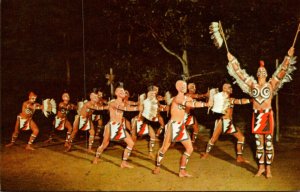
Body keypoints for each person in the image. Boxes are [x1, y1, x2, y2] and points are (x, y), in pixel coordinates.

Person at [226, 47, 296, 178]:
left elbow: (282, 71)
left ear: (267, 74)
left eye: (263, 70)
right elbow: (240, 74)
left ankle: (268, 169)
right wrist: (232, 60)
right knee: (259, 143)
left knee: (268, 143)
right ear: (257, 74)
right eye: (259, 70)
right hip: (257, 116)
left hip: (267, 115)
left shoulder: (271, 84)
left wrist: (288, 56)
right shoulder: (252, 85)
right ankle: (261, 167)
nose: (261, 71)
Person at [152, 80, 210, 177]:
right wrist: (205, 104)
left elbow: (194, 102)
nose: (183, 87)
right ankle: (157, 166)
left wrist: (208, 100)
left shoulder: (187, 97)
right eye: (181, 85)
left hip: (181, 126)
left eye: (184, 85)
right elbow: (190, 104)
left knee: (189, 148)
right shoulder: (177, 98)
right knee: (164, 148)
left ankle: (182, 171)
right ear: (177, 87)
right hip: (173, 125)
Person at [200, 83, 251, 163]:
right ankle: (239, 157)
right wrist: (252, 100)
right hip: (225, 122)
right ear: (224, 89)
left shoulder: (228, 99)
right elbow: (240, 101)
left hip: (224, 121)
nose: (231, 88)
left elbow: (239, 101)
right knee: (240, 138)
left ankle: (206, 154)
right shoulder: (227, 99)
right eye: (229, 87)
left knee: (214, 139)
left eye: (231, 87)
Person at [92, 86, 139, 168]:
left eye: (123, 91)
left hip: (119, 126)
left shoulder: (124, 103)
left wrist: (140, 103)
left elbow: (131, 104)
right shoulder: (113, 102)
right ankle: (96, 157)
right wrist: (137, 108)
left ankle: (124, 162)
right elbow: (124, 108)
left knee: (131, 143)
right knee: (104, 144)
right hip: (111, 126)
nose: (122, 92)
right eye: (120, 91)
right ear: (116, 93)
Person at [131, 87, 169, 159]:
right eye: (153, 91)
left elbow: (158, 107)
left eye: (156, 90)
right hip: (138, 121)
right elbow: (142, 108)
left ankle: (150, 152)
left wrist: (165, 107)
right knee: (134, 137)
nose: (155, 92)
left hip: (146, 122)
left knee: (152, 136)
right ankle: (130, 148)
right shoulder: (144, 99)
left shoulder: (155, 100)